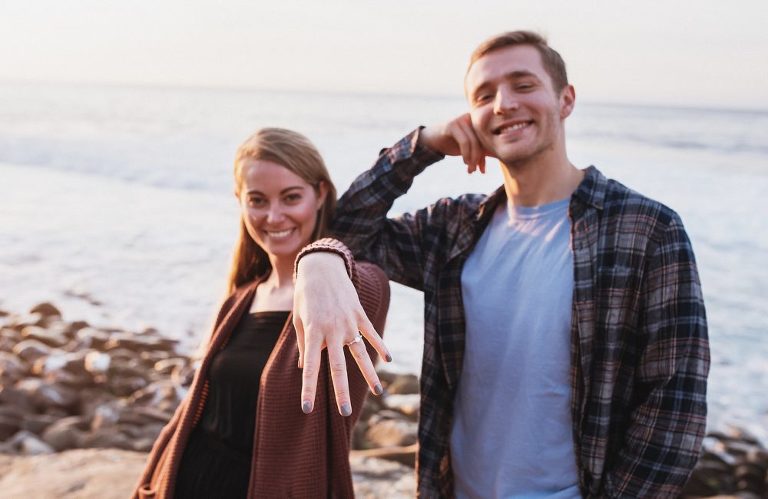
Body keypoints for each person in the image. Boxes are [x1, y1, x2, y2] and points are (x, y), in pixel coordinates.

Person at [293, 31, 709, 497]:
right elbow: (349, 231)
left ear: (565, 99)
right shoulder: (453, 228)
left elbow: (676, 405)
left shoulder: (645, 229)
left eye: (523, 85)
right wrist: (424, 145)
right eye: (484, 96)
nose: (504, 104)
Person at [133, 128, 390, 498]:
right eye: (257, 200)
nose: (274, 216)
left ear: (319, 195)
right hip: (188, 482)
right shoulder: (241, 298)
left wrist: (325, 254)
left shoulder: (347, 292)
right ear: (240, 201)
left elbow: (365, 277)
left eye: (291, 197)